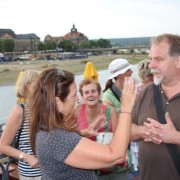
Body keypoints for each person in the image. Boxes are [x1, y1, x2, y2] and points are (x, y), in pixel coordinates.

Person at [29, 67, 137, 180]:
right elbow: (116, 156)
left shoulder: (45, 128)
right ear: (58, 102)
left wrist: (81, 133)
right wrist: (126, 110)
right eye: (74, 94)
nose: (77, 99)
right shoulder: (58, 138)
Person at [131, 33, 180, 180]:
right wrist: (144, 131)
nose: (151, 65)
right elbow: (128, 130)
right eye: (150, 59)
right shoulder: (147, 91)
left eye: (158, 59)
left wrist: (175, 137)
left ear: (178, 61)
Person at [75, 78, 129, 180]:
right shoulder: (77, 110)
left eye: (93, 91)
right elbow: (67, 133)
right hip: (87, 166)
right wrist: (83, 132)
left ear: (99, 94)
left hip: (111, 165)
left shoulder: (110, 111)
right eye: (86, 92)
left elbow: (119, 137)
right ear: (82, 97)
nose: (90, 94)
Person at [0, 70, 42, 180]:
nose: (41, 87)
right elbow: (2, 146)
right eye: (37, 83)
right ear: (27, 86)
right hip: (31, 175)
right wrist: (26, 157)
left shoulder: (44, 109)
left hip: (49, 171)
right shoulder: (19, 110)